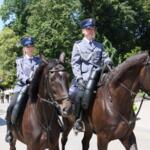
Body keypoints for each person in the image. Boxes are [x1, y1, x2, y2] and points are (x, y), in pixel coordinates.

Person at [69, 18, 112, 132]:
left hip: (99, 75)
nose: (91, 31)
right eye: (88, 29)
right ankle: (78, 120)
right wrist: (79, 78)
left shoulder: (99, 45)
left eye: (93, 29)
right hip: (85, 77)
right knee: (79, 95)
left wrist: (108, 61)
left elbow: (105, 57)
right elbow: (75, 63)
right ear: (83, 31)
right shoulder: (78, 45)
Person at [5, 37, 41, 143]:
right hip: (22, 86)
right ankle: (9, 131)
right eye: (28, 46)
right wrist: (28, 80)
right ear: (24, 48)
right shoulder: (19, 60)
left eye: (31, 46)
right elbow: (19, 74)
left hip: (36, 87)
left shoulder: (38, 60)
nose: (30, 48)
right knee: (11, 106)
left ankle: (58, 123)